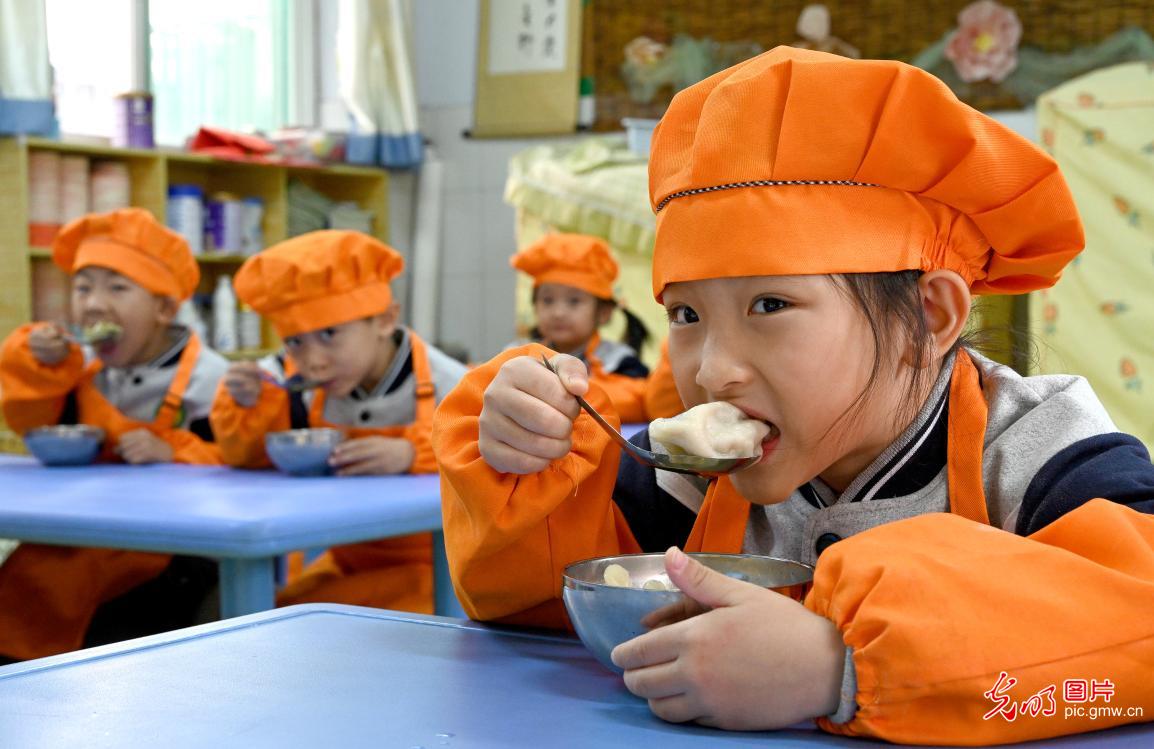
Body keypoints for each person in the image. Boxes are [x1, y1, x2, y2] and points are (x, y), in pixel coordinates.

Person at [431, 47, 1154, 744]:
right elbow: (535, 607)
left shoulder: (1037, 451)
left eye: (770, 305)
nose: (713, 371)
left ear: (930, 317)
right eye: (685, 314)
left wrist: (841, 665)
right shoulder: (691, 477)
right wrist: (526, 465)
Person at [0, 207, 228, 661]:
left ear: (164, 307)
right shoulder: (80, 368)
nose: (94, 304)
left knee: (105, 641)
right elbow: (30, 422)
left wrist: (173, 452)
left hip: (168, 550)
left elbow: (241, 469)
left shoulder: (213, 381)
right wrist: (36, 366)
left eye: (117, 288)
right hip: (75, 534)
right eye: (82, 287)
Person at [210, 230, 466, 612]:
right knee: (262, 616)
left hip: (442, 571)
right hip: (345, 563)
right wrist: (248, 405)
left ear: (384, 319)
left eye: (330, 334)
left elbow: (493, 461)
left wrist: (412, 453)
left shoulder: (455, 384)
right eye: (295, 341)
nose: (312, 361)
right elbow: (241, 457)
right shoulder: (285, 380)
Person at [510, 233, 650, 422]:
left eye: (574, 301)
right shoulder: (517, 354)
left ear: (603, 313)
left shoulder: (620, 361)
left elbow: (637, 402)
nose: (558, 312)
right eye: (547, 300)